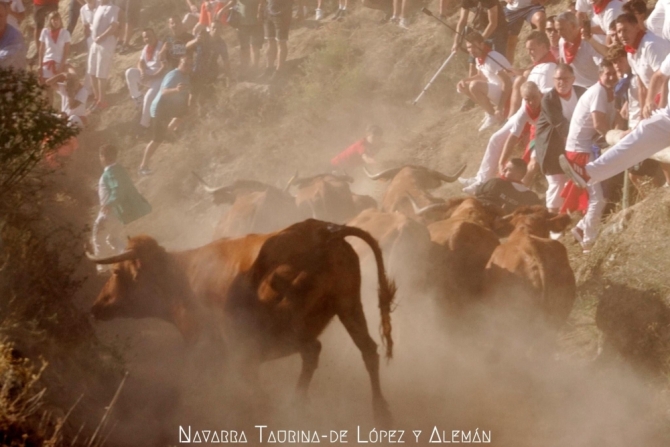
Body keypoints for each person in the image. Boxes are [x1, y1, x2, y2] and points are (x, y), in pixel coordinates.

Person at [560, 60, 617, 252]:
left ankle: (580, 228)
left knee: (599, 195)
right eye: (607, 74)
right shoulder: (599, 92)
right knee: (597, 198)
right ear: (600, 75)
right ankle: (589, 242)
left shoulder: (609, 93)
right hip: (581, 150)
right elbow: (599, 125)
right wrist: (616, 140)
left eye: (613, 73)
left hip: (582, 147)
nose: (611, 77)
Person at [460, 81, 543, 194]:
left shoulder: (550, 100)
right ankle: (482, 181)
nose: (532, 102)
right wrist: (501, 162)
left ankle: (519, 194)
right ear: (523, 99)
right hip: (536, 128)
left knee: (532, 161)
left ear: (540, 93)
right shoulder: (524, 110)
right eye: (527, 99)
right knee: (495, 139)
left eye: (534, 97)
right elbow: (512, 138)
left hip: (546, 131)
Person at [534, 63, 586, 212]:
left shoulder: (582, 93)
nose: (561, 82)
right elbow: (561, 126)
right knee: (557, 181)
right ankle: (551, 218)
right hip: (550, 145)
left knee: (576, 180)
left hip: (574, 141)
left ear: (573, 79)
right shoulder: (548, 100)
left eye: (565, 78)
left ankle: (570, 213)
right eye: (557, 79)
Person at [93, 144, 151, 269]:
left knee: (98, 238)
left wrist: (110, 203)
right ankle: (128, 257)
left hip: (110, 213)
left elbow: (118, 189)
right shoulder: (119, 169)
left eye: (100, 156)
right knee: (112, 238)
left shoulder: (110, 172)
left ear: (104, 156)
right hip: (119, 214)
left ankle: (101, 269)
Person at [139, 54, 192, 175]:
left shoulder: (186, 76)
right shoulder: (174, 74)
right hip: (159, 108)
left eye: (190, 65)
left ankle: (167, 133)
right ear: (179, 63)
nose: (188, 66)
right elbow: (163, 91)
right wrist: (176, 90)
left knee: (184, 113)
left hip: (169, 107)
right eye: (185, 64)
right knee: (157, 140)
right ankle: (143, 166)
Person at [456, 31, 513, 132]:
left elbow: (507, 82)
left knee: (474, 86)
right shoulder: (478, 58)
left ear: (482, 44)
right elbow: (481, 76)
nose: (471, 50)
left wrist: (499, 108)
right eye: (469, 47)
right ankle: (490, 112)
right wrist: (464, 80)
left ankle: (494, 115)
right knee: (464, 86)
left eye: (473, 46)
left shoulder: (493, 57)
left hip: (508, 94)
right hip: (497, 91)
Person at [616, 12, 670, 115]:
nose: (622, 35)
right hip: (654, 100)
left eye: (625, 30)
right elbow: (642, 87)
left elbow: (665, 78)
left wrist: (661, 110)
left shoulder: (651, 45)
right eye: (619, 31)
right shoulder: (630, 52)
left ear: (636, 27)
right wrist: (642, 114)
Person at [125, 28, 165, 135]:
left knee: (149, 97)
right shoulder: (146, 48)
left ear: (155, 35)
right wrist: (142, 72)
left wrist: (151, 76)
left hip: (160, 78)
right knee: (130, 72)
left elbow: (165, 67)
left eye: (149, 36)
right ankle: (138, 98)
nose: (147, 38)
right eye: (145, 37)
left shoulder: (162, 46)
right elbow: (140, 62)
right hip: (148, 75)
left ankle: (144, 125)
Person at [508, 30, 556, 116]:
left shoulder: (549, 67)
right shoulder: (541, 61)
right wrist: (517, 71)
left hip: (539, 112)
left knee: (519, 80)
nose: (529, 53)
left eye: (532, 49)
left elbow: (547, 97)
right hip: (531, 108)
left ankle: (511, 116)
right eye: (528, 50)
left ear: (543, 47)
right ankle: (511, 117)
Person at [475, 158, 543, 213]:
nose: (504, 170)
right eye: (505, 168)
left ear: (518, 175)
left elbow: (476, 193)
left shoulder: (496, 182)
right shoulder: (531, 197)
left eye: (508, 169)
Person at [87, 0, 120, 112]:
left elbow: (113, 26)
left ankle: (102, 101)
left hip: (105, 44)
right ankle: (97, 99)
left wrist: (101, 37)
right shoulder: (98, 8)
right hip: (95, 43)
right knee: (91, 72)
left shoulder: (112, 8)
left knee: (101, 73)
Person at [555, 11, 599, 88]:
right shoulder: (562, 42)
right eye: (557, 30)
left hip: (593, 86)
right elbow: (563, 64)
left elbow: (602, 67)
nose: (559, 34)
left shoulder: (589, 41)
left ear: (573, 26)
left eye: (562, 29)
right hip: (574, 88)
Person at [503, 0, 547, 65]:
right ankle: (508, 70)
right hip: (512, 10)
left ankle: (543, 59)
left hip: (532, 7)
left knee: (540, 19)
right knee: (509, 42)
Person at [260, 0, 292, 77]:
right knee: (270, 41)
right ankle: (269, 68)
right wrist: (260, 9)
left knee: (281, 42)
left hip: (282, 13)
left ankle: (279, 70)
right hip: (268, 12)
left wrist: (301, 9)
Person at [38, 11, 71, 85]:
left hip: (60, 64)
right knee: (47, 89)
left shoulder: (65, 33)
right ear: (50, 21)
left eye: (58, 19)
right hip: (47, 63)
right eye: (53, 19)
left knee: (61, 89)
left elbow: (66, 53)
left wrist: (61, 68)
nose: (56, 22)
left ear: (60, 20)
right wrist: (39, 65)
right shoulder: (45, 32)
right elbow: (41, 50)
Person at [233, 0, 263, 77]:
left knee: (254, 46)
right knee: (244, 48)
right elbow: (232, 2)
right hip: (242, 23)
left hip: (256, 22)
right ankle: (244, 70)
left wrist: (260, 12)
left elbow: (262, 2)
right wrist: (223, 10)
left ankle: (255, 69)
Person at [0, 0, 27, 69]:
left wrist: (10, 12)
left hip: (11, 33)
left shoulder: (16, 39)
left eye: (1, 15)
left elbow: (23, 16)